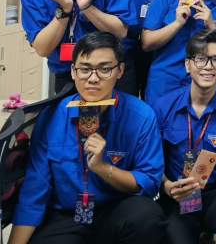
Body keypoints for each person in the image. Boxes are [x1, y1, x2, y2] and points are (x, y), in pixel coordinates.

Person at [9, 32, 167, 244]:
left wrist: (103, 168)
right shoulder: (51, 117)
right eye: (84, 69)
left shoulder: (141, 116)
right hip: (67, 215)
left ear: (120, 70)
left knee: (147, 215)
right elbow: (34, 191)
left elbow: (149, 182)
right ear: (73, 71)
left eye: (104, 69)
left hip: (115, 211)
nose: (93, 78)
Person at [151, 29, 216, 244]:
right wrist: (167, 186)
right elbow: (151, 162)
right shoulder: (162, 106)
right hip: (178, 194)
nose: (208, 66)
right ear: (187, 64)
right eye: (200, 59)